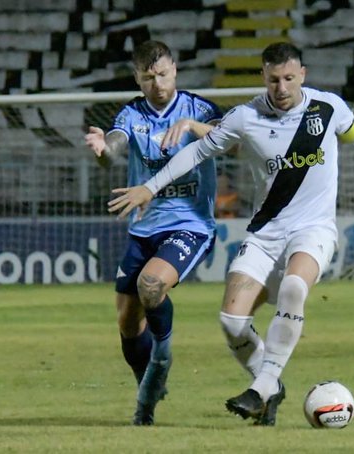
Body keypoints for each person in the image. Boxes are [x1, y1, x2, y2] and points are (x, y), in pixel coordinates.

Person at [107, 42, 354, 426]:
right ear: (263, 78)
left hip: (313, 229)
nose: (282, 87)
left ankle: (262, 387)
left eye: (289, 78)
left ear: (302, 74)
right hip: (266, 232)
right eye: (273, 80)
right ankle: (271, 386)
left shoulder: (327, 109)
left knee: (293, 288)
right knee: (231, 321)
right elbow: (195, 154)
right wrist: (150, 187)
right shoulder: (245, 117)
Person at [84, 40, 222, 426]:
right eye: (148, 77)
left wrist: (195, 129)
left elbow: (230, 139)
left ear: (174, 69)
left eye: (162, 74)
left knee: (150, 285)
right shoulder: (131, 113)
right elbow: (115, 143)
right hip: (144, 229)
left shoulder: (199, 108)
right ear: (137, 78)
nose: (157, 83)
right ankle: (148, 383)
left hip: (190, 224)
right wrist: (101, 150)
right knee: (128, 321)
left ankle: (162, 355)